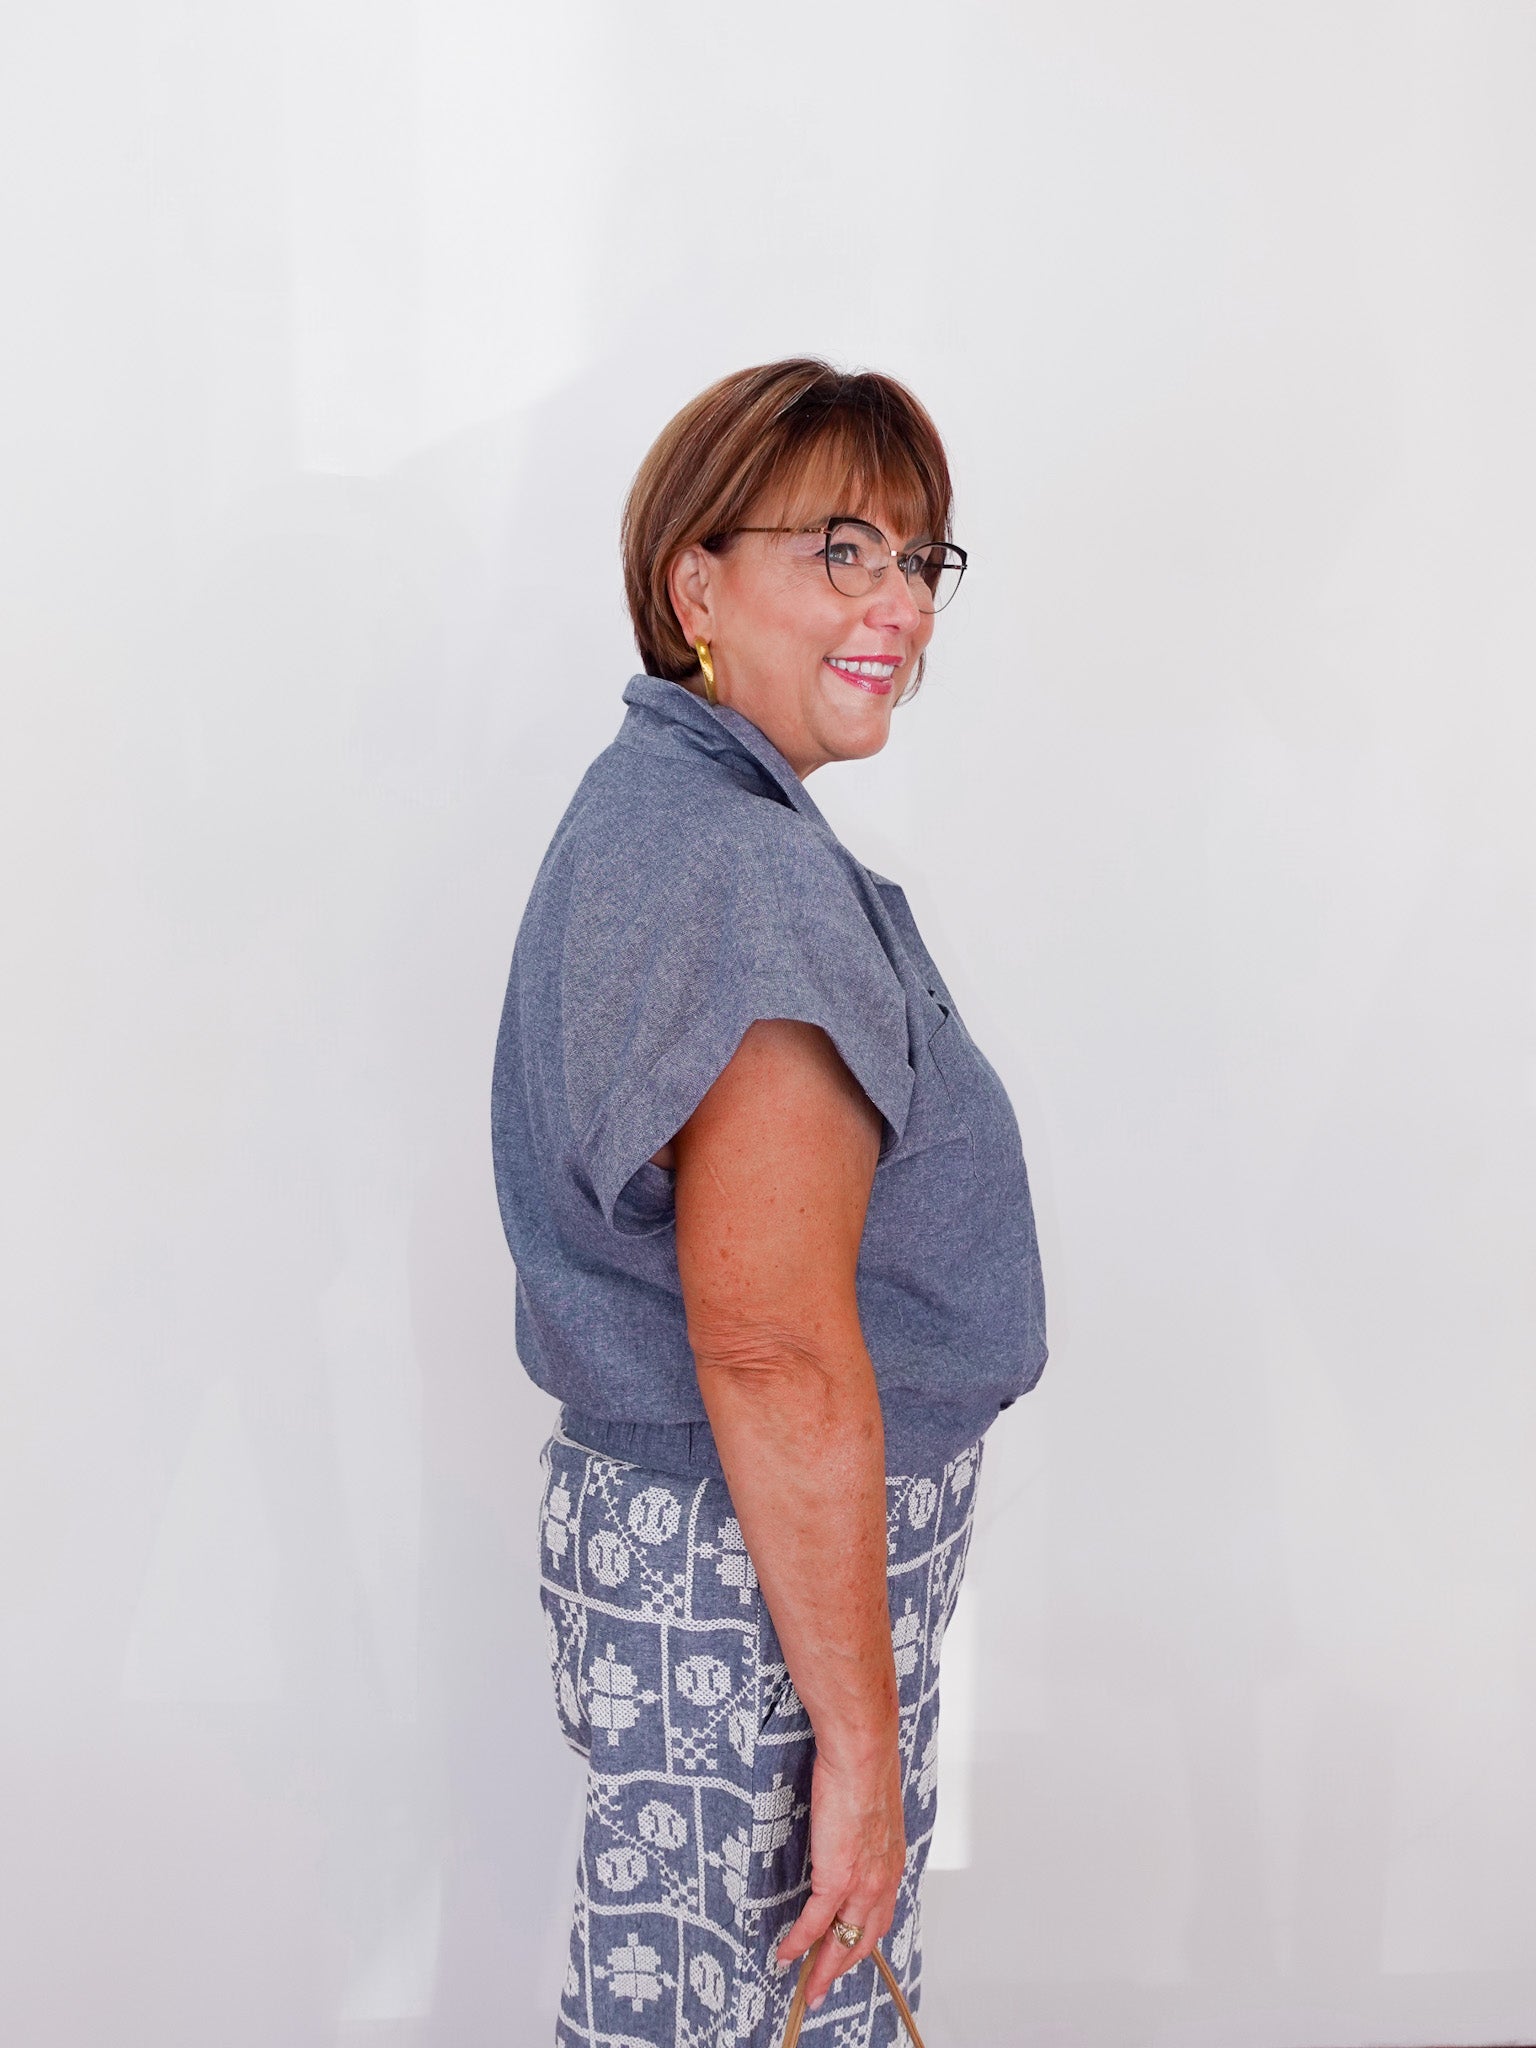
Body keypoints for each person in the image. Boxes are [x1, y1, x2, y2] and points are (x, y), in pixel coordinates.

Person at [491, 358, 1048, 2047]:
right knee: (762, 2010)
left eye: (918, 559)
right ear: (697, 589)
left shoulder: (659, 811)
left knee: (702, 2006)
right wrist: (862, 1754)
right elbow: (773, 1352)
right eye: (840, 551)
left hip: (715, 1573)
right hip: (753, 1585)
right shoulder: (745, 875)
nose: (900, 606)